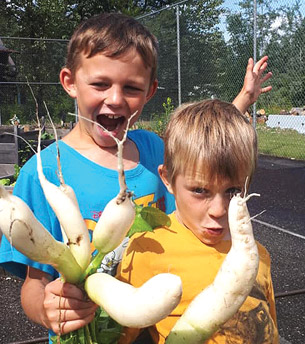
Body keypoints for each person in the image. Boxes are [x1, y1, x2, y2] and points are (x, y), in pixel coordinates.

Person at [0, 12, 272, 341]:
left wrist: (242, 100)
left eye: (131, 87)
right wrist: (47, 307)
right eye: (100, 84)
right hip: (86, 332)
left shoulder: (154, 149)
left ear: (149, 91)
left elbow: (204, 150)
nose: (115, 99)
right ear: (70, 82)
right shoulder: (38, 173)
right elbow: (34, 283)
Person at [117, 99, 278, 343]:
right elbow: (120, 336)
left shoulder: (257, 256)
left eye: (233, 191)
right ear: (168, 179)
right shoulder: (146, 251)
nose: (219, 210)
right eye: (200, 191)